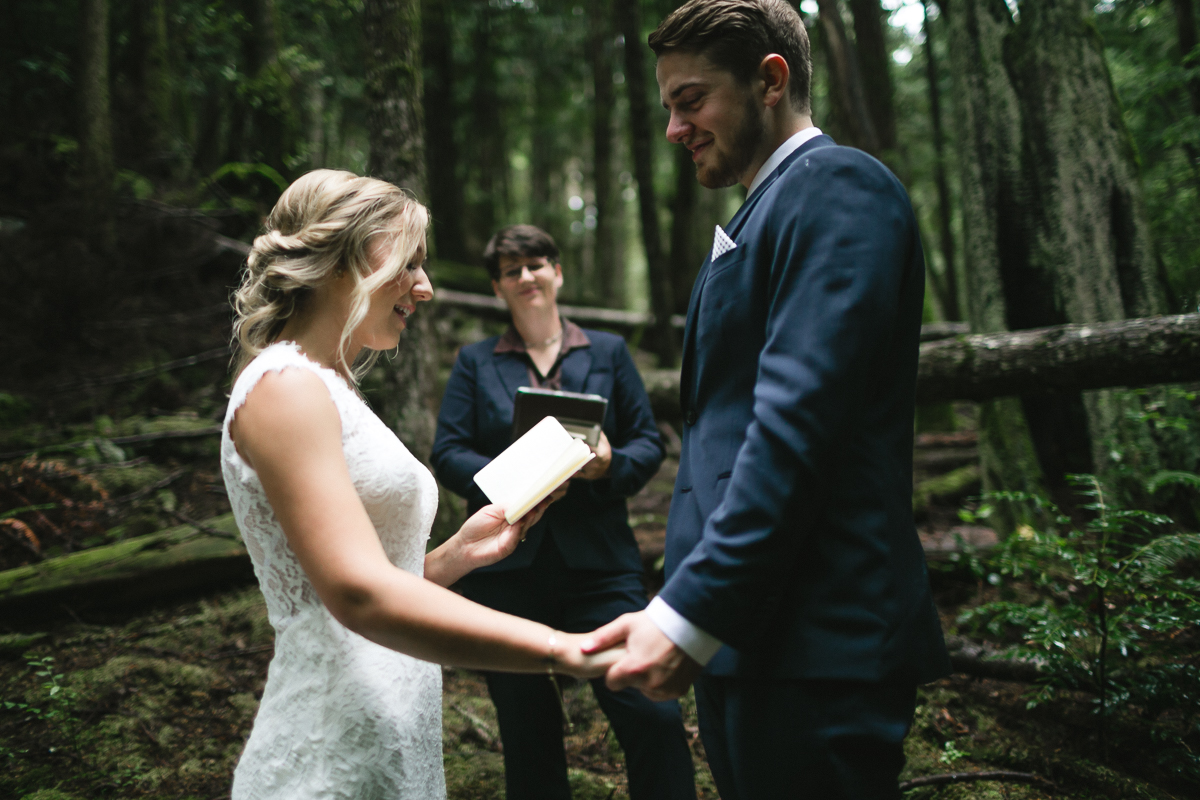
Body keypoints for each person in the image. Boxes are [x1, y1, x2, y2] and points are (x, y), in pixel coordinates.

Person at [582, 2, 952, 798]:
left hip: (819, 640)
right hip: (751, 641)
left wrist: (690, 614)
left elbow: (796, 424)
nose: (676, 128)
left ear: (770, 81)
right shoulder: (765, 208)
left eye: (691, 101)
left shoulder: (839, 187)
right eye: (669, 108)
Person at [220, 171, 620, 800]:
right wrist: (564, 649)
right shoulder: (286, 387)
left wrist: (457, 554)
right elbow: (357, 594)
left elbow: (359, 578)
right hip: (329, 745)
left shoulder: (330, 386)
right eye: (409, 263)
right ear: (340, 260)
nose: (426, 287)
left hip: (389, 720)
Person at [431, 224, 696, 800]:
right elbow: (446, 451)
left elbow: (649, 443)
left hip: (600, 564)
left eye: (536, 264)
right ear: (497, 287)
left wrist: (606, 466)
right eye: (511, 269)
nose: (526, 276)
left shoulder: (608, 351)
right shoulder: (475, 362)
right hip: (507, 572)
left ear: (557, 272)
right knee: (526, 728)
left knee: (649, 709)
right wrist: (508, 478)